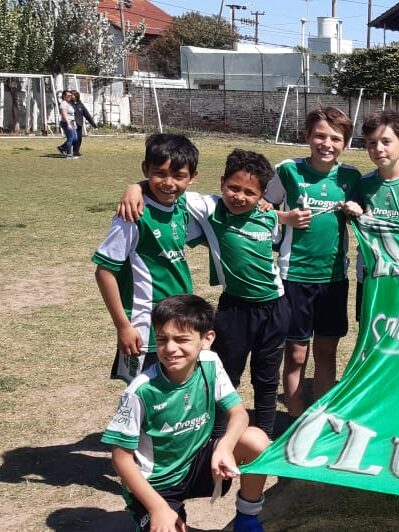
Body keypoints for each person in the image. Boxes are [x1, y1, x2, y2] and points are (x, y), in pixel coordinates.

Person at [117, 149, 288, 437]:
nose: (239, 196)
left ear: (261, 196)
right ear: (222, 183)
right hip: (235, 310)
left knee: (267, 378)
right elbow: (171, 188)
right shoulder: (210, 208)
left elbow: (278, 226)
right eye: (233, 187)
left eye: (250, 192)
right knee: (225, 377)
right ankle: (216, 438)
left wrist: (276, 211)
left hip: (275, 308)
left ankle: (265, 436)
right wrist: (134, 187)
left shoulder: (267, 217)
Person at [103, 294, 270, 532]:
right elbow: (120, 458)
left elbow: (239, 414)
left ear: (207, 339)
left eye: (181, 339)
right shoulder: (140, 392)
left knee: (256, 440)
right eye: (162, 339)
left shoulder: (210, 363)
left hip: (198, 466)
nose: (170, 348)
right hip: (156, 484)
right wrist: (158, 508)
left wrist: (223, 447)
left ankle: (247, 521)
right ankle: (156, 514)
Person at [264, 107, 362, 421]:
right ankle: (294, 421)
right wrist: (284, 217)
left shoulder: (350, 177)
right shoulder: (288, 170)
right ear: (307, 136)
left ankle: (317, 421)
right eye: (320, 135)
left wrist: (355, 210)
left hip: (333, 279)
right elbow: (261, 207)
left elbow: (364, 212)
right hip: (294, 276)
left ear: (345, 143)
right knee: (295, 354)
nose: (327, 143)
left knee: (326, 352)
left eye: (336, 138)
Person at [94, 133, 201, 382]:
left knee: (176, 392)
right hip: (144, 329)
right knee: (144, 395)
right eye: (159, 173)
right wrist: (123, 326)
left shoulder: (182, 207)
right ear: (146, 169)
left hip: (180, 322)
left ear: (192, 177)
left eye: (178, 176)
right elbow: (103, 271)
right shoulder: (132, 215)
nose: (168, 182)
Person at [345, 109, 399, 319]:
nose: (378, 149)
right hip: (369, 274)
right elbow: (354, 223)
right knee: (369, 333)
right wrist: (353, 213)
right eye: (371, 143)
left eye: (386, 141)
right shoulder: (363, 183)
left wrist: (377, 223)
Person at [70, 90, 98, 157]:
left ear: (76, 96)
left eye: (72, 95)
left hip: (79, 125)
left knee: (79, 139)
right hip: (72, 125)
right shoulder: (69, 104)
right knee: (73, 139)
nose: (71, 96)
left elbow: (87, 115)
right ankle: (64, 149)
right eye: (70, 95)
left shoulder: (80, 105)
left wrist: (94, 125)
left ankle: (76, 152)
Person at [56, 91, 78, 159]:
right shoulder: (63, 104)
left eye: (70, 95)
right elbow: (64, 115)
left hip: (71, 122)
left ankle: (62, 148)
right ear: (64, 96)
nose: (70, 97)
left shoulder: (68, 103)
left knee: (75, 138)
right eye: (68, 95)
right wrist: (68, 124)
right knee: (70, 138)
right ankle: (69, 154)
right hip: (66, 122)